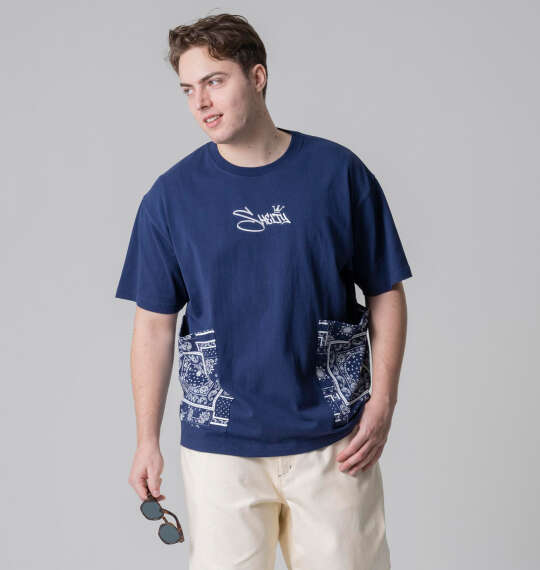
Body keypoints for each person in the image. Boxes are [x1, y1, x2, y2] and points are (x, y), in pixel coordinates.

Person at [115, 12, 412, 570]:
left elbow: (385, 291)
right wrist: (146, 439)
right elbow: (153, 323)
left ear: (257, 76)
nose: (201, 102)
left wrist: (383, 402)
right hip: (220, 447)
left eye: (214, 81)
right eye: (188, 89)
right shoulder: (170, 198)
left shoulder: (337, 173)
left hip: (335, 439)